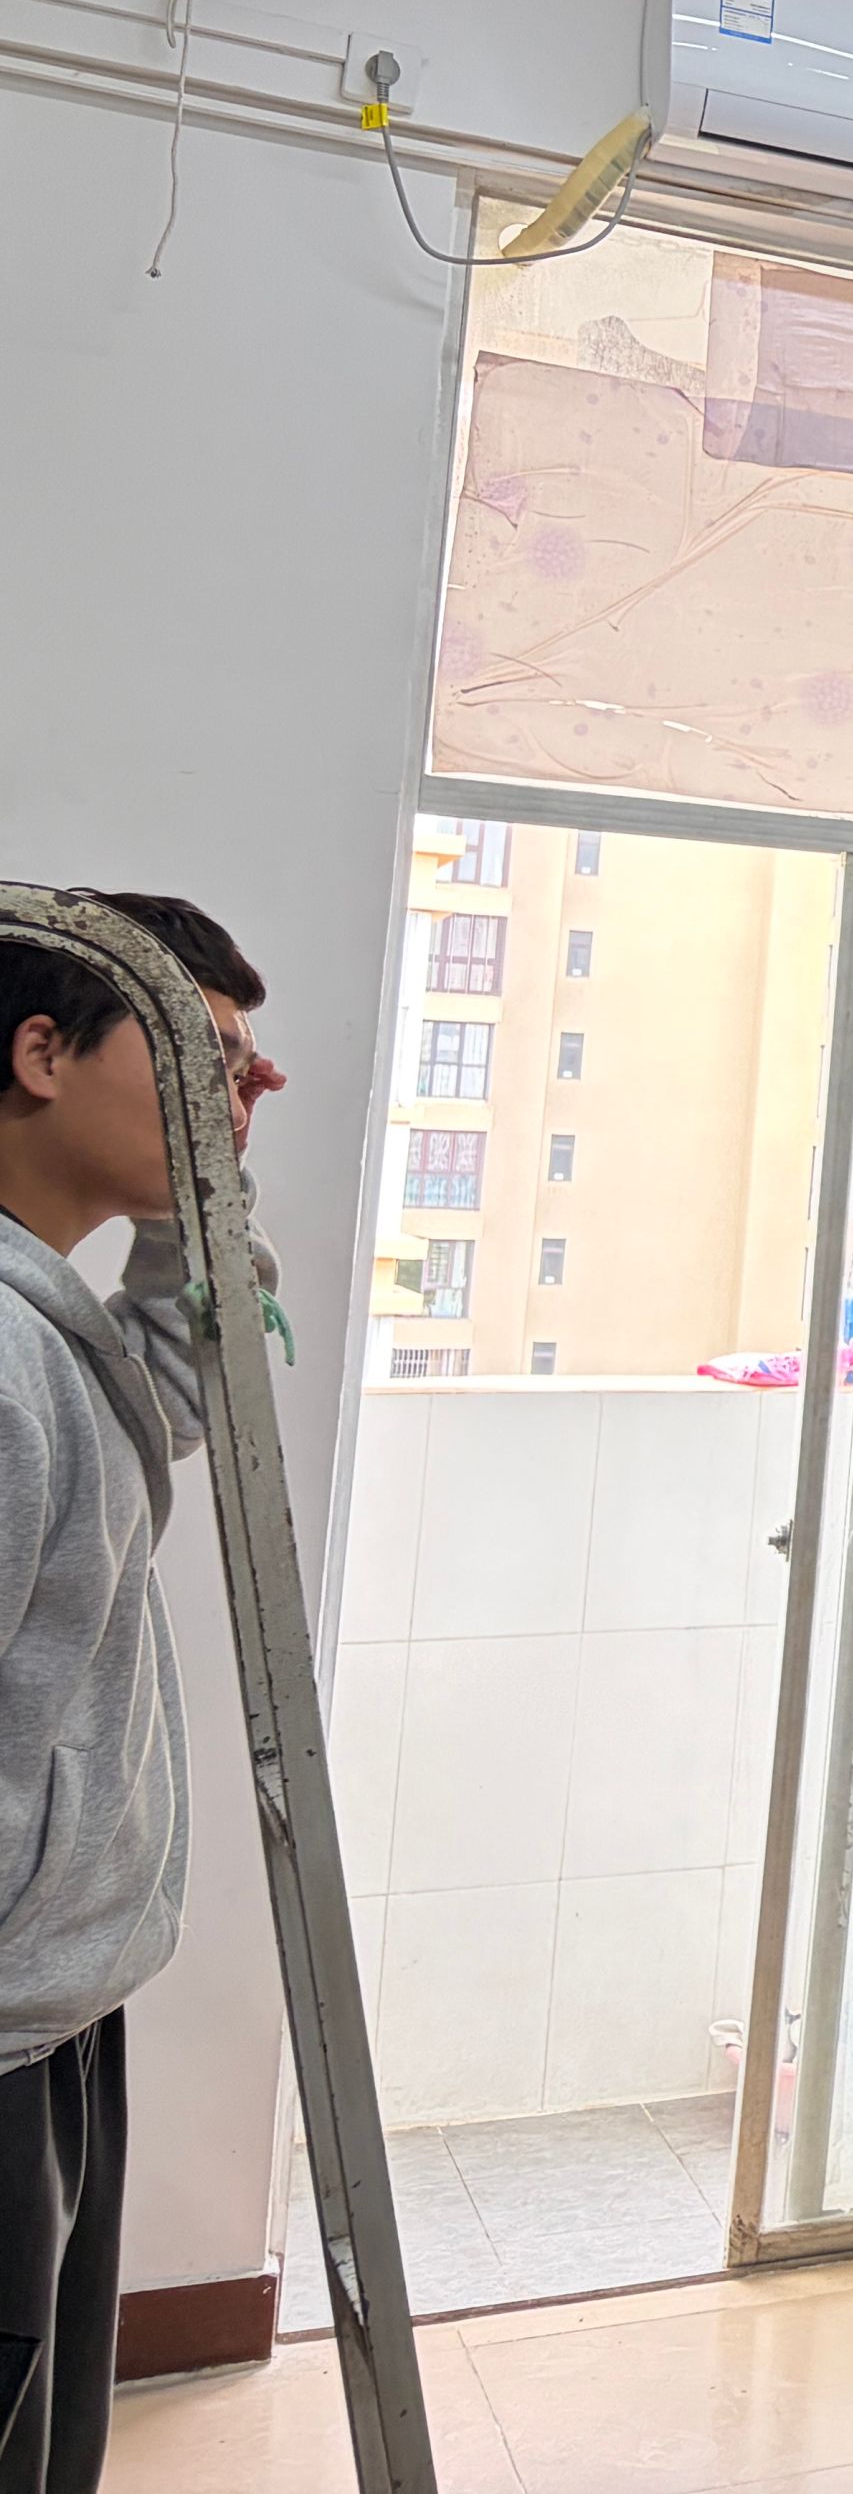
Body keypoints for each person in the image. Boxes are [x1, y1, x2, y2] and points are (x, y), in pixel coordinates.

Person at [0, 892, 284, 2494]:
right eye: (192, 1049)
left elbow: (176, 1392)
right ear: (42, 1052)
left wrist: (204, 1191)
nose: (231, 1089)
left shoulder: (49, 1327)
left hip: (48, 2009)